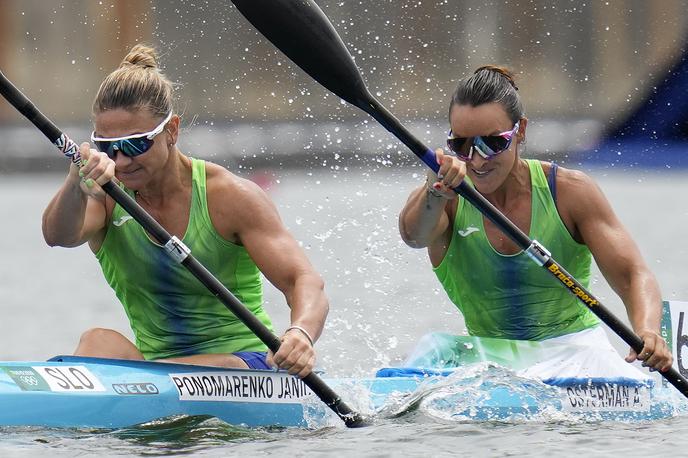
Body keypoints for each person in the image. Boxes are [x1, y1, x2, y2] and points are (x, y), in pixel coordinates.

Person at [42, 44, 328, 378]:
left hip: (246, 366)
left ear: (172, 130)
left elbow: (303, 280)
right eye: (108, 147)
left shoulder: (230, 197)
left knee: (122, 363)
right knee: (97, 342)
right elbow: (57, 236)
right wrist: (76, 180)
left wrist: (300, 333)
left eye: (136, 144)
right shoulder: (104, 195)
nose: (120, 160)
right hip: (158, 374)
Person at [398, 65, 672, 375]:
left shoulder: (570, 192)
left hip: (574, 352)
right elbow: (414, 236)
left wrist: (649, 332)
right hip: (492, 358)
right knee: (433, 347)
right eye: (462, 145)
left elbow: (633, 274)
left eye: (493, 142)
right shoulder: (443, 197)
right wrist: (435, 192)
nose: (477, 158)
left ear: (521, 131)